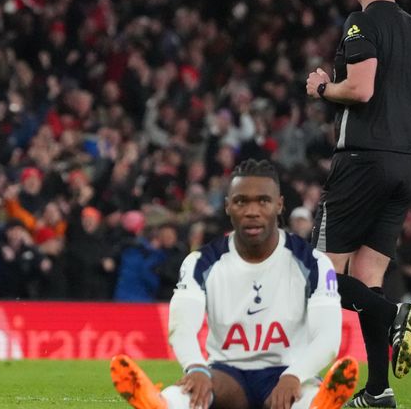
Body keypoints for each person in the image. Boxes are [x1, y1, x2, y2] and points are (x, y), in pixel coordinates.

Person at [111, 159, 358, 409]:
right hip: (227, 376)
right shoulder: (200, 262)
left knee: (303, 395)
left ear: (279, 205)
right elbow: (182, 326)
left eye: (263, 200)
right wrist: (195, 367)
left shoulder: (313, 263)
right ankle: (163, 404)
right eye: (241, 201)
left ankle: (319, 403)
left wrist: (295, 374)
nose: (252, 211)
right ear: (228, 206)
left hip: (288, 372)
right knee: (193, 389)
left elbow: (328, 337)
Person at [305, 0, 411, 407]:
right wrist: (396, 98)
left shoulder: (360, 23)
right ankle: (379, 389)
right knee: (368, 278)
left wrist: (323, 87)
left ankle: (394, 314)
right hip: (404, 164)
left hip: (362, 162)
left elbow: (360, 89)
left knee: (319, 279)